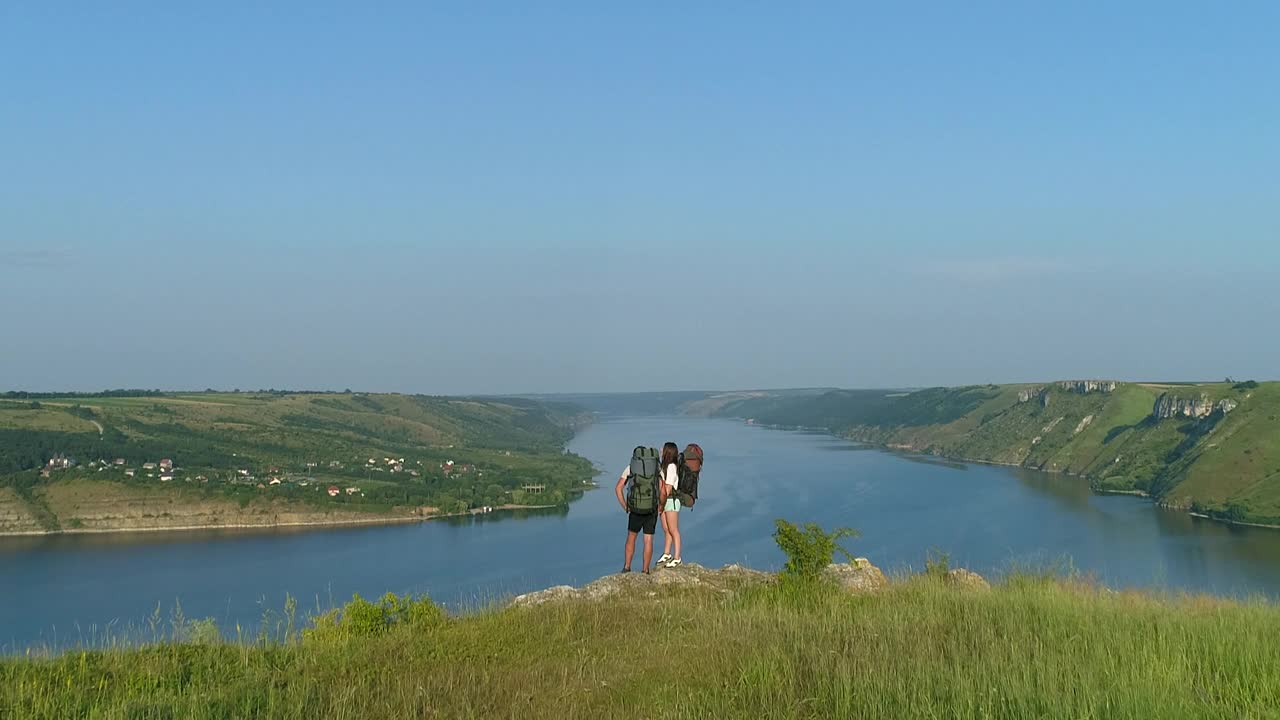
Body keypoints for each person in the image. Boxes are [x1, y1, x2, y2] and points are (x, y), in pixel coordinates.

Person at [615, 446, 667, 574]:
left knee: (631, 537)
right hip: (651, 508)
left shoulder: (631, 467)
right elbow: (663, 491)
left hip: (635, 508)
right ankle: (645, 570)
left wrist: (625, 506)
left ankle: (627, 567)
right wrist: (661, 505)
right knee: (648, 539)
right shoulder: (657, 469)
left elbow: (618, 488)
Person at [657, 442, 683, 568]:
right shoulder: (664, 466)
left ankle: (677, 557)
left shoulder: (671, 467)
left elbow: (668, 487)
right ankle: (667, 553)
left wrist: (660, 503)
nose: (661, 450)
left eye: (663, 448)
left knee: (673, 530)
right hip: (665, 501)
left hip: (671, 501)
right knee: (666, 529)